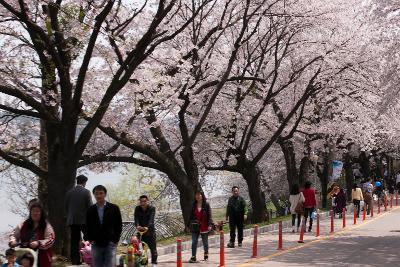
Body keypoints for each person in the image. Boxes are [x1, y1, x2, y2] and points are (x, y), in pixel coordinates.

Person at [86, 185, 122, 267]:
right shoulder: (90, 210)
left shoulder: (114, 208)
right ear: (94, 195)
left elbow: (118, 225)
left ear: (105, 194)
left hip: (110, 242)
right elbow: (87, 225)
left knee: (110, 265)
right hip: (96, 243)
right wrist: (90, 239)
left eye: (101, 193)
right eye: (96, 194)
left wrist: (115, 239)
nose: (98, 196)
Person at [9, 202, 55, 267]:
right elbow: (14, 234)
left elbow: (50, 239)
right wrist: (13, 241)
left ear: (41, 213)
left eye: (37, 211)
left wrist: (38, 243)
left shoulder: (46, 226)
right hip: (25, 256)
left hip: (42, 258)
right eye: (33, 211)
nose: (35, 213)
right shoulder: (23, 224)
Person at [65, 174, 93, 265]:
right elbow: (90, 207)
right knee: (89, 238)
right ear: (84, 182)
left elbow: (66, 207)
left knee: (74, 240)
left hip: (72, 221)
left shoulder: (69, 192)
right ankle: (90, 257)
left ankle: (75, 260)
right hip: (84, 220)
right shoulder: (86, 192)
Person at [188, 191, 213, 263]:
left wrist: (210, 225)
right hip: (195, 227)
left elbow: (209, 216)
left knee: (205, 242)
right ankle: (193, 257)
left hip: (204, 226)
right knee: (194, 242)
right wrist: (188, 225)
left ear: (202, 196)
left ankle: (206, 254)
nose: (197, 196)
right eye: (196, 195)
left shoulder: (206, 204)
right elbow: (191, 216)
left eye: (199, 194)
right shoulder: (194, 205)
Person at [134, 195, 158, 267]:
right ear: (140, 202)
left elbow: (151, 219)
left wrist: (147, 227)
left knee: (153, 249)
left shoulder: (152, 208)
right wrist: (137, 225)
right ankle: (143, 263)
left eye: (144, 201)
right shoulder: (137, 208)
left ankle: (154, 263)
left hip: (150, 232)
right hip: (141, 231)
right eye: (141, 201)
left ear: (147, 201)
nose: (143, 203)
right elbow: (136, 218)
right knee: (139, 249)